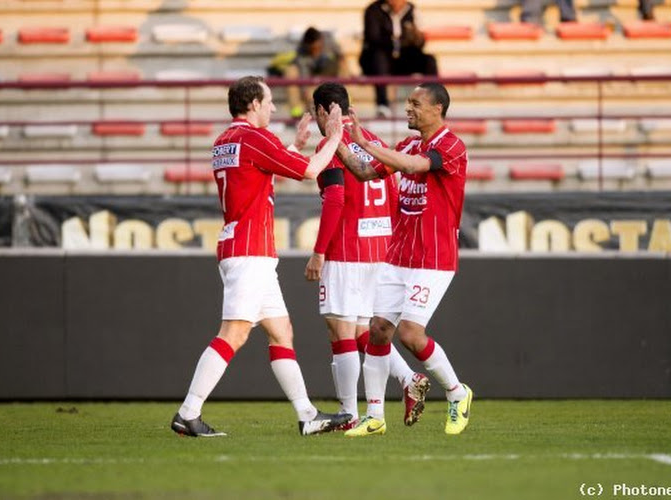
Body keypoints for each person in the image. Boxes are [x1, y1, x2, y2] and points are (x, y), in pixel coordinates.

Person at [171, 76, 351, 437]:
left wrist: (294, 145)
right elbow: (310, 171)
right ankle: (188, 412)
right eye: (269, 101)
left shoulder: (226, 140)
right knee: (234, 333)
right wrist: (333, 137)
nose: (273, 108)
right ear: (252, 103)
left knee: (281, 331)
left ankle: (307, 415)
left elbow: (257, 175)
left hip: (246, 247)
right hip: (249, 251)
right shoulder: (254, 137)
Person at [334, 82, 473, 437]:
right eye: (408, 102)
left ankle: (457, 392)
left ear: (437, 109)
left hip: (433, 257)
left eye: (415, 103)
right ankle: (375, 416)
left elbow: (415, 165)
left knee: (411, 333)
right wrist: (338, 142)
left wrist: (365, 143)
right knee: (379, 331)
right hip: (399, 254)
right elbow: (365, 172)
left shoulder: (451, 146)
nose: (408, 108)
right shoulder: (407, 143)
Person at [305, 82, 431, 429]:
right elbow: (392, 190)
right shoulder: (371, 140)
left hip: (346, 251)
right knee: (364, 330)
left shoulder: (332, 143)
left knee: (340, 331)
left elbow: (334, 199)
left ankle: (349, 413)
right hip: (380, 249)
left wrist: (319, 252)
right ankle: (408, 379)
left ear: (322, 111)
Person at [359, 0, 438, 118]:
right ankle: (382, 105)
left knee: (429, 60)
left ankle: (433, 103)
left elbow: (420, 43)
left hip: (403, 59)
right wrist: (398, 41)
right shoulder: (373, 10)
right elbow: (373, 39)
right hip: (378, 61)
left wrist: (417, 38)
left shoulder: (412, 10)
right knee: (379, 57)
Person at [267, 27, 349, 118]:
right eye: (312, 49)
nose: (315, 52)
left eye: (317, 48)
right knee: (291, 70)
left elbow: (341, 56)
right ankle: (297, 112)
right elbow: (304, 75)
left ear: (321, 41)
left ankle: (345, 103)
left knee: (343, 65)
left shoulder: (329, 41)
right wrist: (306, 91)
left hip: (329, 72)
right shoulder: (302, 52)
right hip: (312, 77)